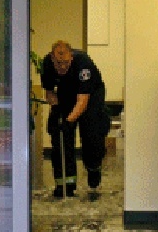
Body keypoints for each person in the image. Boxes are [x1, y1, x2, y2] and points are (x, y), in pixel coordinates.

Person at [41, 40, 111, 198]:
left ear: (71, 57)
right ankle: (65, 184)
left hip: (90, 96)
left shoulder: (83, 64)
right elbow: (50, 92)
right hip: (66, 96)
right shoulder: (47, 64)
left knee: (91, 134)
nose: (62, 67)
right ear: (52, 58)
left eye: (66, 63)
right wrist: (58, 110)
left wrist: (69, 121)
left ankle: (94, 169)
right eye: (58, 63)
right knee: (59, 136)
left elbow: (82, 102)